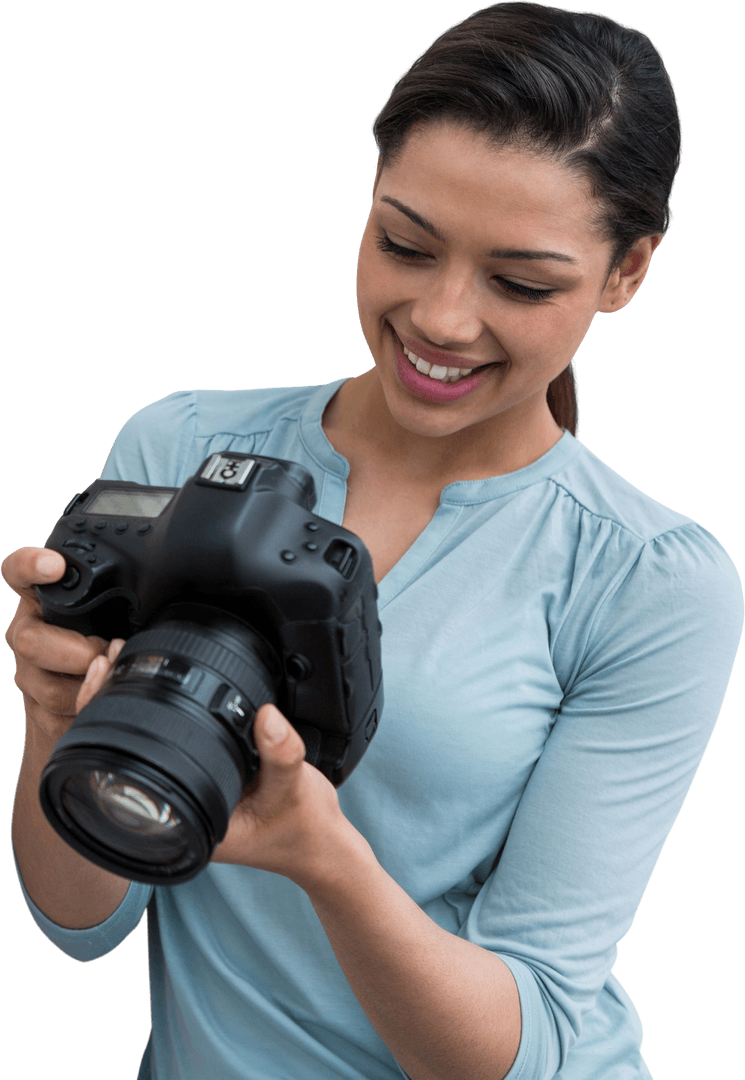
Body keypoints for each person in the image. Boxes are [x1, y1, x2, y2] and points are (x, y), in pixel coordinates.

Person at [5, 3, 743, 1078]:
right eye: (405, 243)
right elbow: (79, 920)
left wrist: (327, 862)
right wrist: (46, 725)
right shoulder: (183, 448)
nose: (442, 319)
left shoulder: (648, 583)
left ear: (626, 273)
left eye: (521, 283)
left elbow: (525, 1044)